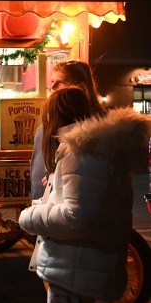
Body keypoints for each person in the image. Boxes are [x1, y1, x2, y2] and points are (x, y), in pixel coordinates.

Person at [19, 87, 151, 303]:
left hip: (76, 271)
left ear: (54, 115)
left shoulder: (80, 151)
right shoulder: (101, 147)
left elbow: (76, 216)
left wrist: (29, 216)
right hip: (94, 266)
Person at [30, 60, 104, 200]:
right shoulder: (46, 126)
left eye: (60, 82)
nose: (52, 87)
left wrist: (58, 177)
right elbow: (38, 181)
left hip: (70, 209)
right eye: (52, 81)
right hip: (48, 209)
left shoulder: (104, 129)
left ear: (80, 87)